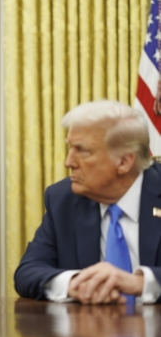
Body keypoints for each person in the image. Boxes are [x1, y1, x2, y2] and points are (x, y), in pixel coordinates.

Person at [14, 100, 161, 304]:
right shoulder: (63, 199)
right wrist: (74, 283)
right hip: (89, 332)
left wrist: (140, 282)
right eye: (70, 148)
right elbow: (27, 272)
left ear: (124, 162)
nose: (68, 162)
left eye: (82, 151)